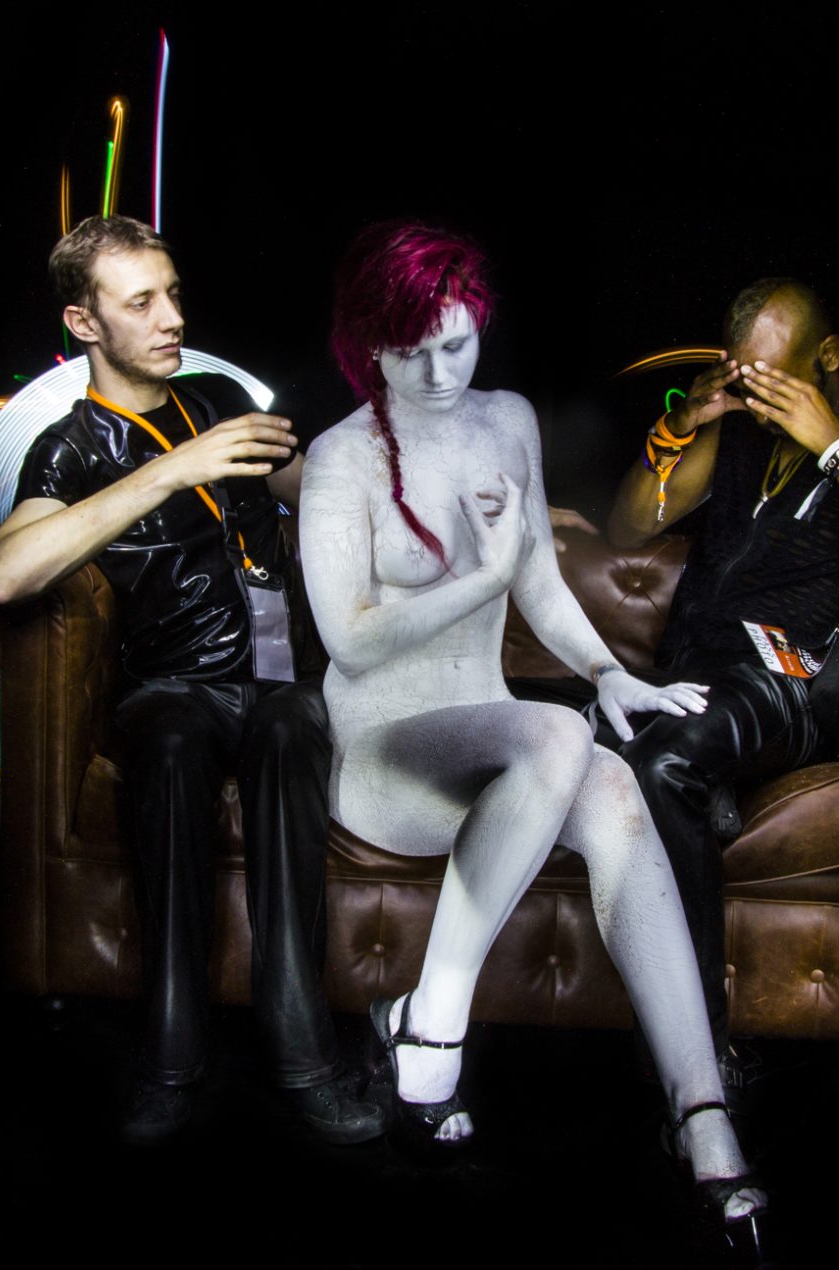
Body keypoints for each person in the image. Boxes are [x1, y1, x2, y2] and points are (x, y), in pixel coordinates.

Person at [300, 223, 767, 1237]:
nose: (438, 373)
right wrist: (482, 575)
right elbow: (351, 640)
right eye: (410, 350)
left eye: (456, 344)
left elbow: (542, 583)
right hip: (386, 756)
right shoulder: (340, 458)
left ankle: (701, 1115)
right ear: (368, 345)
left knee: (611, 779)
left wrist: (608, 672)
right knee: (558, 738)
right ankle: (434, 1030)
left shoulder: (507, 418)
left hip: (496, 748)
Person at [0, 215, 383, 1146]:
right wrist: (171, 471)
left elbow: (318, 494)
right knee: (166, 742)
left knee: (293, 726)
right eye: (142, 303)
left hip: (279, 682)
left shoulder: (216, 399)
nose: (172, 318)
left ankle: (305, 1058)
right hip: (173, 690)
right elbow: (6, 576)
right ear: (85, 323)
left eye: (172, 294)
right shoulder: (70, 448)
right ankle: (170, 1059)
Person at [603, 277, 839, 1062]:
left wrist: (836, 447)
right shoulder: (739, 428)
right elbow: (628, 528)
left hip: (787, 685)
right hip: (690, 675)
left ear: (827, 356)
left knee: (662, 764)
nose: (759, 402)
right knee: (559, 731)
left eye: (774, 382)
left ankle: (701, 1056)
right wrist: (678, 425)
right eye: (746, 380)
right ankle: (711, 790)